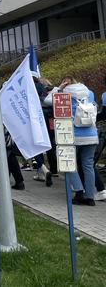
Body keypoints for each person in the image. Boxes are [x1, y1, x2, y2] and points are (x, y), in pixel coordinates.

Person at [44, 76, 99, 205]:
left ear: (65, 83)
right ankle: (90, 197)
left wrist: (59, 88)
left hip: (73, 135)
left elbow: (47, 101)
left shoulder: (65, 94)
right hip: (91, 135)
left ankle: (79, 192)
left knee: (68, 163)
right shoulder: (89, 93)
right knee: (88, 165)